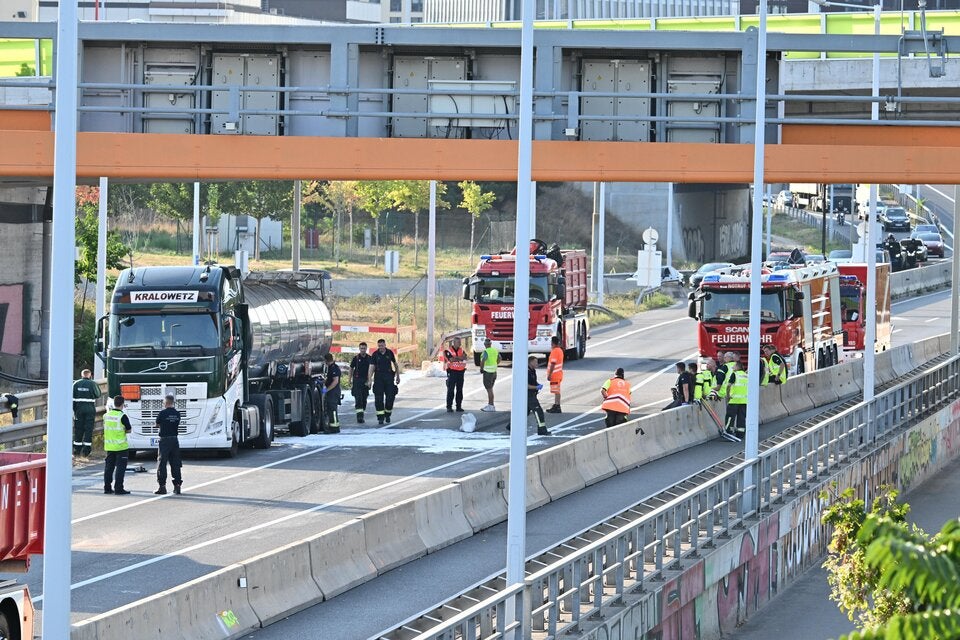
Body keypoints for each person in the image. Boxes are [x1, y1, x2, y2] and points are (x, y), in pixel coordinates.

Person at [154, 393, 183, 495]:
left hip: (164, 440)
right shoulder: (177, 414)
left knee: (162, 463)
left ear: (166, 403)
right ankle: (177, 485)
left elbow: (157, 424)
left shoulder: (162, 413)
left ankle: (162, 487)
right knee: (175, 463)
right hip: (175, 440)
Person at [103, 395, 132, 495]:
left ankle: (107, 488)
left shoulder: (106, 415)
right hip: (121, 447)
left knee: (109, 468)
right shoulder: (122, 416)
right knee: (120, 469)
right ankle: (118, 489)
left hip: (109, 447)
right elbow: (129, 429)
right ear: (123, 404)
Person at [368, 338, 401, 425]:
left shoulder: (389, 353)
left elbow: (395, 364)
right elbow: (371, 367)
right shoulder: (375, 354)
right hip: (378, 379)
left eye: (382, 346)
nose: (381, 347)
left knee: (390, 397)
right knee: (378, 399)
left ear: (385, 345)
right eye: (379, 346)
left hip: (389, 378)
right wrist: (369, 380)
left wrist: (398, 376)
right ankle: (380, 417)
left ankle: (387, 414)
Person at [73, 368, 101, 457]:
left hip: (78, 409)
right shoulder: (92, 383)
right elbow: (98, 394)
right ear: (90, 375)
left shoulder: (76, 384)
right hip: (89, 409)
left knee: (78, 429)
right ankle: (86, 450)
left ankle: (77, 450)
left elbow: (71, 396)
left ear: (82, 375)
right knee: (88, 429)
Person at [718, 360, 748, 439]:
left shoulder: (735, 374)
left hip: (734, 400)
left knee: (730, 417)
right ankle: (740, 433)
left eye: (734, 366)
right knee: (741, 418)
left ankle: (729, 432)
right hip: (744, 401)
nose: (732, 367)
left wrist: (728, 396)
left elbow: (728, 386)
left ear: (738, 367)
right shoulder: (746, 375)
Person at [442, 337, 467, 413]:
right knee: (451, 390)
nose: (460, 344)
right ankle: (449, 406)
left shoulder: (462, 350)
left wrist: (456, 358)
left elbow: (465, 357)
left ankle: (458, 406)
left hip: (461, 372)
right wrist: (460, 358)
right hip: (452, 372)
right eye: (458, 342)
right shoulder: (447, 351)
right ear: (454, 343)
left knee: (459, 390)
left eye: (460, 342)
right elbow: (451, 360)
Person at [526, 356, 549, 436]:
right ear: (530, 362)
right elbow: (526, 385)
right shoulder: (527, 372)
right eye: (535, 362)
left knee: (523, 413)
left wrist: (537, 384)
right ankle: (542, 430)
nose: (537, 363)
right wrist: (536, 387)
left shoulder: (533, 371)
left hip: (532, 394)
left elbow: (533, 381)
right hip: (529, 395)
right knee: (538, 412)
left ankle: (510, 427)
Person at [349, 342, 372, 424]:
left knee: (364, 399)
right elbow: (351, 369)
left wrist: (370, 381)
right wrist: (349, 380)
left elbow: (372, 369)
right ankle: (359, 417)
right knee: (358, 399)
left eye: (364, 348)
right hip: (357, 381)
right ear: (359, 349)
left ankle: (362, 411)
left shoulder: (370, 358)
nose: (363, 350)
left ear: (366, 349)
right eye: (361, 348)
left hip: (365, 381)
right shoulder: (355, 358)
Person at [322, 353, 342, 434]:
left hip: (333, 391)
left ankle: (334, 427)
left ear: (326, 360)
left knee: (332, 409)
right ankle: (332, 426)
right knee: (330, 409)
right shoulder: (331, 367)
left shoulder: (334, 368)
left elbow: (335, 381)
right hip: (332, 391)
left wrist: (327, 390)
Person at [479, 338, 500, 412]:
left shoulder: (486, 351)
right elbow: (499, 359)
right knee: (491, 389)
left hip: (487, 372)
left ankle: (491, 405)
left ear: (485, 344)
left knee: (489, 389)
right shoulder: (494, 350)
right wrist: (495, 364)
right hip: (494, 372)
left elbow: (483, 361)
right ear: (490, 344)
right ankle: (491, 405)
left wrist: (481, 369)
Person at [545, 336, 564, 413]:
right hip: (558, 373)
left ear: (552, 343)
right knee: (557, 391)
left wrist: (549, 374)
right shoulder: (559, 350)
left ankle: (557, 406)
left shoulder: (555, 351)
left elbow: (553, 363)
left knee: (556, 391)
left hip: (554, 375)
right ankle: (556, 405)